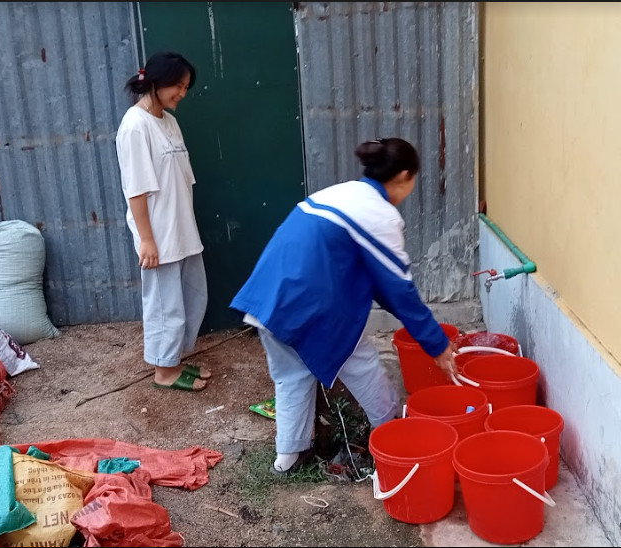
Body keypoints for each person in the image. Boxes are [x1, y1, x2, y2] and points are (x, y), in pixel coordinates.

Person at [231, 138, 458, 474]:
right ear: (404, 177)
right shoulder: (380, 215)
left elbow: (382, 285)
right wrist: (437, 344)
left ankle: (288, 458)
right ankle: (394, 432)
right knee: (361, 362)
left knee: (292, 376)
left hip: (269, 299)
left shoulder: (340, 193)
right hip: (311, 309)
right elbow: (400, 291)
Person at [115, 51, 212, 392]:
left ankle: (173, 360)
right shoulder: (135, 126)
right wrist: (146, 239)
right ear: (156, 83)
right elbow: (136, 189)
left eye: (186, 87)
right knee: (164, 304)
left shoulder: (168, 121)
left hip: (181, 226)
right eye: (178, 86)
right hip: (157, 232)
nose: (182, 94)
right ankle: (163, 371)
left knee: (189, 297)